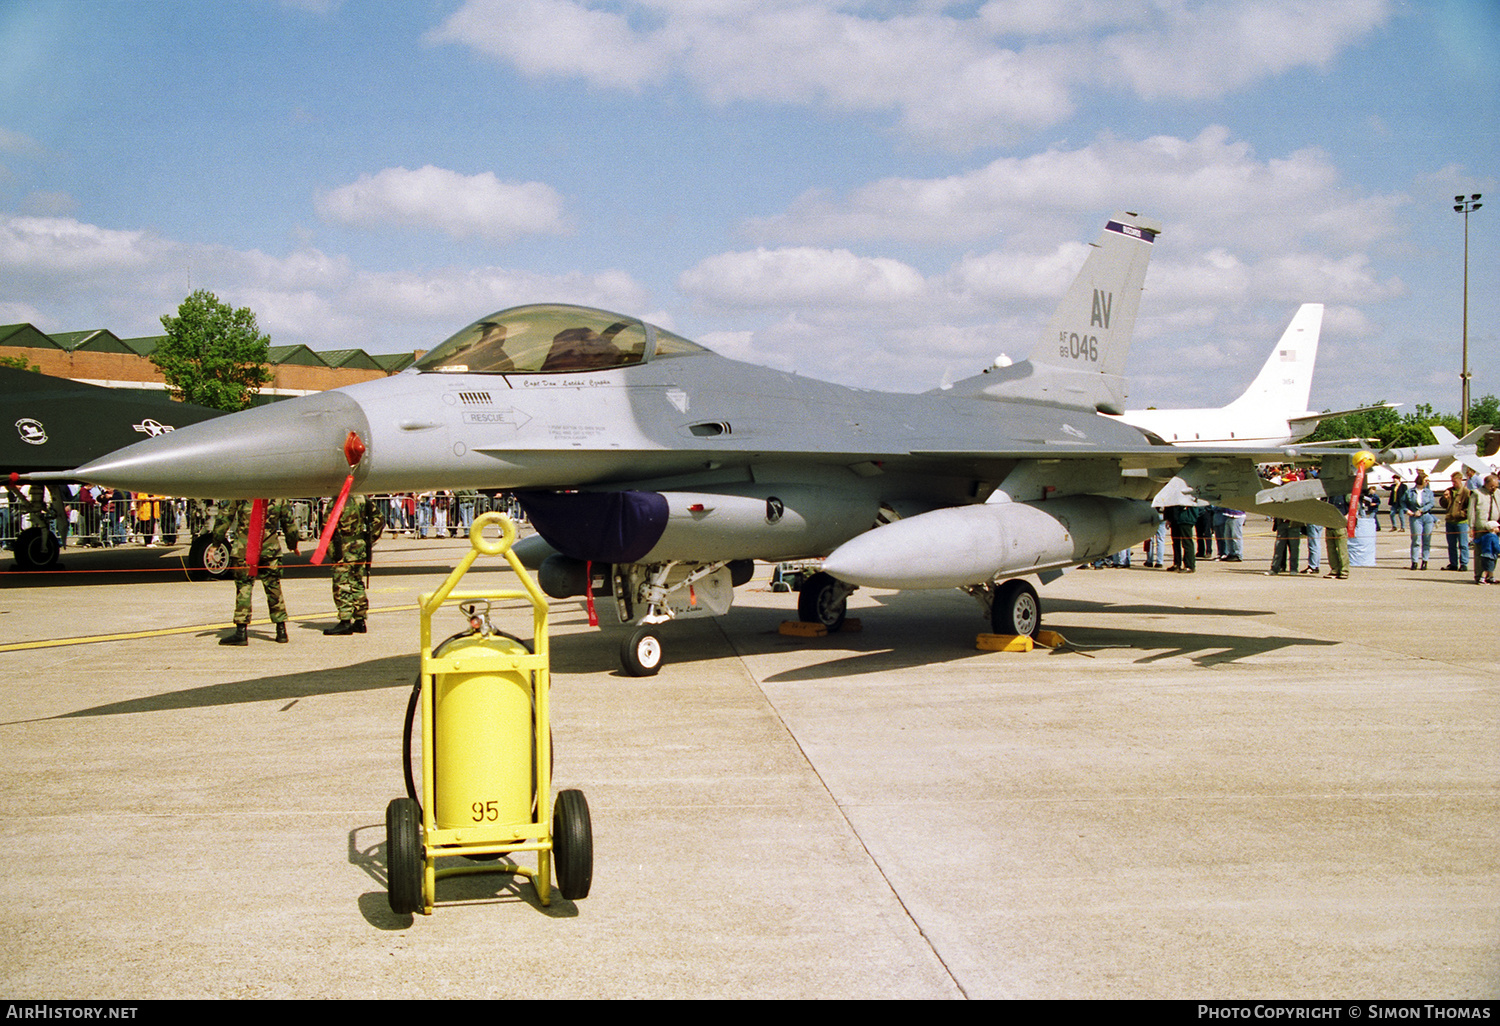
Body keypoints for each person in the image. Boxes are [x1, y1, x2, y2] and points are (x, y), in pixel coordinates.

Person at [215, 498, 299, 645]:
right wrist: (293, 545)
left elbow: (225, 518)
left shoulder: (242, 493)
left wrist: (216, 543)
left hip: (245, 548)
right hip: (270, 549)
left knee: (244, 588)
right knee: (274, 588)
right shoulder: (278, 496)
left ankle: (241, 631)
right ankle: (281, 631)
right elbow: (289, 523)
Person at [324, 494, 384, 635]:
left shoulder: (337, 501)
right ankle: (360, 620)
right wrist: (370, 538)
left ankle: (345, 620)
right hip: (360, 546)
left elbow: (327, 525)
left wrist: (330, 548)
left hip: (343, 546)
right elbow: (379, 519)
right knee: (356, 581)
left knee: (341, 583)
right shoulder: (364, 499)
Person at [1401, 470, 1436, 570]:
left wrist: (1422, 510)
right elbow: (1402, 502)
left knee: (1427, 540)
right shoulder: (1409, 492)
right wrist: (1407, 510)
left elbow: (1431, 503)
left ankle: (1425, 560)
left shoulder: (1428, 492)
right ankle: (1414, 561)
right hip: (1415, 518)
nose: (1427, 482)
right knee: (1416, 540)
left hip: (1426, 516)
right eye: (1426, 480)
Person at [1469, 475, 1500, 585]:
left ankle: (1490, 575)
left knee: (1493, 553)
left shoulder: (1498, 493)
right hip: (1481, 528)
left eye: (1495, 486)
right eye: (1491, 486)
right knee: (1480, 553)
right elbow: (1471, 512)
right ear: (1485, 484)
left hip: (1494, 529)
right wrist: (1471, 527)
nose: (1493, 488)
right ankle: (1479, 576)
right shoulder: (1477, 493)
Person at [1441, 471, 1471, 573]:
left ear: (1460, 480)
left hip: (1461, 522)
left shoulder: (1466, 492)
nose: (1453, 484)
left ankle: (1464, 563)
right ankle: (1453, 563)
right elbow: (1444, 505)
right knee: (1451, 544)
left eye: (1455, 481)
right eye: (1452, 481)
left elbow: (1469, 508)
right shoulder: (1449, 491)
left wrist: (1459, 514)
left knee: (1463, 544)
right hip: (1450, 521)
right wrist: (1445, 498)